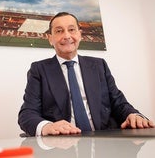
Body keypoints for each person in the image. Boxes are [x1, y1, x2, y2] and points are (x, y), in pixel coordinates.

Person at [18, 12, 154, 136]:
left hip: (105, 141)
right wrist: (47, 126)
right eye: (59, 31)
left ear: (80, 34)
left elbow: (118, 102)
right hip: (63, 145)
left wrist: (133, 114)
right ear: (50, 38)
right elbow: (27, 113)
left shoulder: (99, 65)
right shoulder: (39, 70)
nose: (66, 36)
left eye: (71, 30)